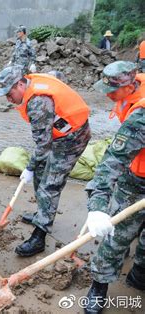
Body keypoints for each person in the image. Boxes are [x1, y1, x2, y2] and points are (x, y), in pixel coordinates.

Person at [0, 65, 91, 257]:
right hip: (58, 135)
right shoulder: (33, 83)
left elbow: (43, 145)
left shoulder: (38, 102)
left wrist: (29, 167)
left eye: (9, 93)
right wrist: (34, 168)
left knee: (50, 185)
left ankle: (39, 235)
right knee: (40, 174)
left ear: (21, 84)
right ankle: (42, 213)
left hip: (73, 138)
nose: (8, 99)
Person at [82, 61, 145, 313]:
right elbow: (112, 162)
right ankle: (99, 285)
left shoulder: (141, 116)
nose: (107, 95)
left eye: (112, 90)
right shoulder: (136, 114)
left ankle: (139, 273)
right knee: (117, 236)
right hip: (134, 181)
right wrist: (97, 208)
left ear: (131, 85)